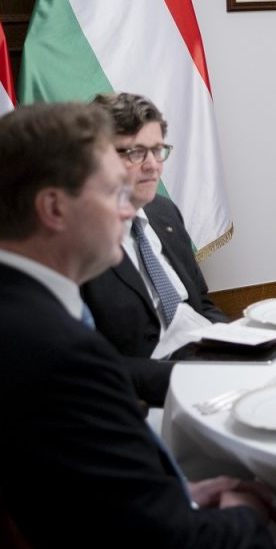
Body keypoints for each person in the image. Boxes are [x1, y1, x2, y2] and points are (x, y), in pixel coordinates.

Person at [0, 103, 276, 549]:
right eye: (112, 192)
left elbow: (67, 481)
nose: (128, 210)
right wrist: (247, 509)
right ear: (54, 208)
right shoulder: (64, 355)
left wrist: (180, 497)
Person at [82, 92, 229, 404]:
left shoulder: (163, 212)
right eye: (135, 153)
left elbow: (201, 303)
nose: (152, 166)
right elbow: (86, 364)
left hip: (210, 362)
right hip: (147, 394)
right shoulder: (74, 241)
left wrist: (240, 346)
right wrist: (186, 378)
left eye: (157, 150)